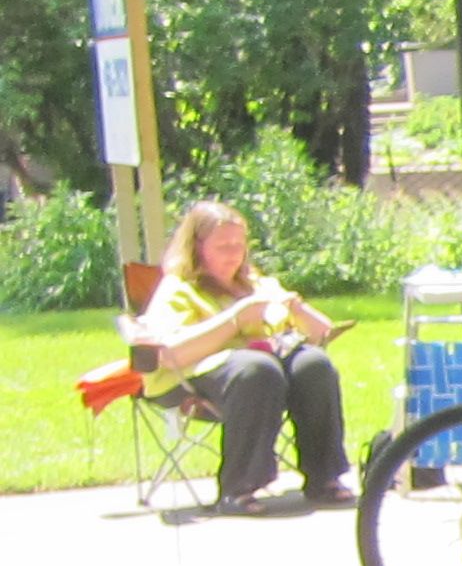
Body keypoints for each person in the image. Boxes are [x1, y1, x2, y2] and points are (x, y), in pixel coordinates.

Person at [138, 200, 351, 515]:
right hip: (194, 376)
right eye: (223, 246)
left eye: (239, 244)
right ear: (197, 248)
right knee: (256, 368)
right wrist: (235, 319)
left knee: (313, 364)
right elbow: (169, 353)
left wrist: (295, 307)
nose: (234, 254)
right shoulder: (179, 289)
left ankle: (324, 477)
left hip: (268, 372)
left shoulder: (257, 283)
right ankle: (238, 487)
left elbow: (322, 333)